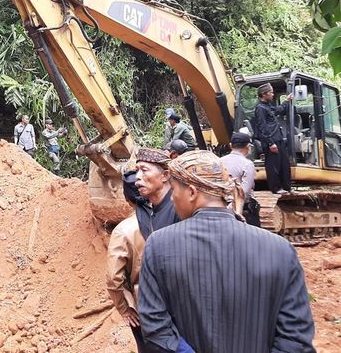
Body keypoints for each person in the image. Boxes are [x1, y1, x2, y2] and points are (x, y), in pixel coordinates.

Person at [138, 151, 315, 353]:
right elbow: (295, 338)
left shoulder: (159, 246)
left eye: (174, 190)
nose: (172, 199)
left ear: (192, 192)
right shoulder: (281, 250)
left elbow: (155, 326)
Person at [106, 180, 147, 352]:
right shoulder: (172, 217)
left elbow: (113, 277)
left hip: (142, 304)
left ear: (126, 198)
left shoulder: (123, 231)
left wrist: (124, 308)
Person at [254, 83, 294, 194]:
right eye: (270, 92)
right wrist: (270, 143)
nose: (272, 94)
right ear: (263, 94)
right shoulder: (260, 108)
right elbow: (262, 127)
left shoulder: (268, 106)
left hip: (278, 138)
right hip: (271, 141)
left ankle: (287, 187)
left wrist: (287, 101)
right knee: (273, 166)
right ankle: (276, 188)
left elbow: (278, 110)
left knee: (284, 163)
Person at [134, 148, 179, 240]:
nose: (137, 177)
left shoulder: (179, 208)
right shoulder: (143, 209)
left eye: (144, 170)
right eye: (136, 171)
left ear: (165, 175)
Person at [221, 131, 259, 225]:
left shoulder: (219, 161)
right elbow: (244, 192)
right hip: (243, 209)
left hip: (221, 206)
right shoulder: (247, 164)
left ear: (231, 145)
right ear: (248, 146)